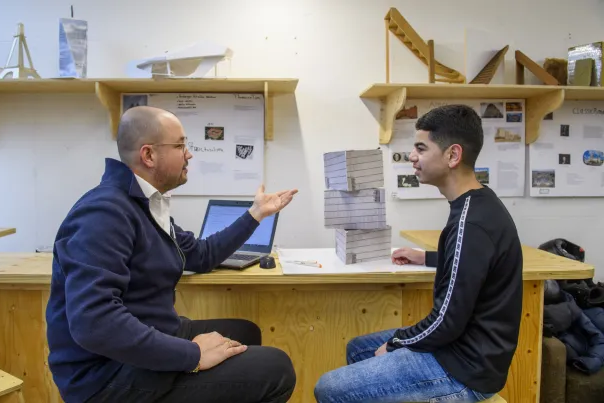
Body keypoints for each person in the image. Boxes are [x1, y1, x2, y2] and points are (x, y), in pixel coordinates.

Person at [45, 106, 298, 403]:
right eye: (179, 145)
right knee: (276, 369)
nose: (188, 154)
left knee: (245, 332)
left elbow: (200, 255)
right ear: (149, 155)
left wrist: (255, 215)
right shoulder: (105, 212)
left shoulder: (143, 204)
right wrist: (193, 355)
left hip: (149, 331)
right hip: (106, 377)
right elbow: (94, 322)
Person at [314, 105, 523, 402]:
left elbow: (446, 321)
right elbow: (470, 267)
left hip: (465, 369)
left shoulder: (471, 222)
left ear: (452, 155)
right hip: (462, 349)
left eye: (420, 148)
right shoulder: (478, 206)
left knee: (329, 389)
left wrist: (397, 344)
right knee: (358, 348)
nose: (412, 156)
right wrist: (426, 258)